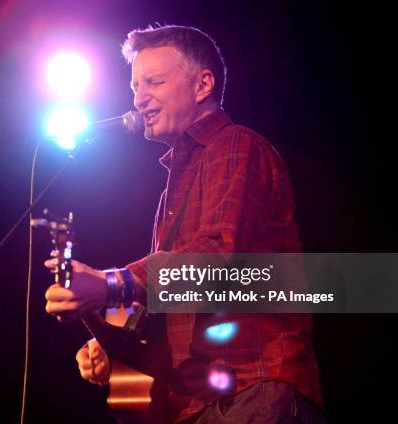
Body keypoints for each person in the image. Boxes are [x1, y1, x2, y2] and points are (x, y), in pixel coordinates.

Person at [45, 25, 325, 423]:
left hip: (253, 388)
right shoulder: (173, 193)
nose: (140, 99)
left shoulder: (236, 145)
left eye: (154, 82)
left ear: (203, 85)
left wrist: (111, 283)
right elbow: (167, 308)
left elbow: (216, 255)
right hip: (200, 403)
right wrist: (103, 332)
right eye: (135, 86)